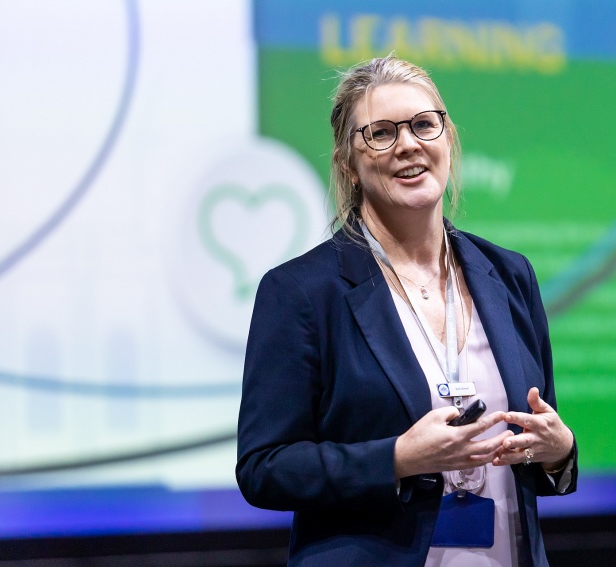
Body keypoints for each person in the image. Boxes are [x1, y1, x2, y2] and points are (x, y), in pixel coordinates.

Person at [236, 55, 578, 567]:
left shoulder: (509, 275)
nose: (408, 144)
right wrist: (397, 459)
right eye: (381, 133)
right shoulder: (301, 292)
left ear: (448, 139)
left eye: (423, 124)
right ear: (348, 163)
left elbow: (541, 436)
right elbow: (264, 468)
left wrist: (558, 450)